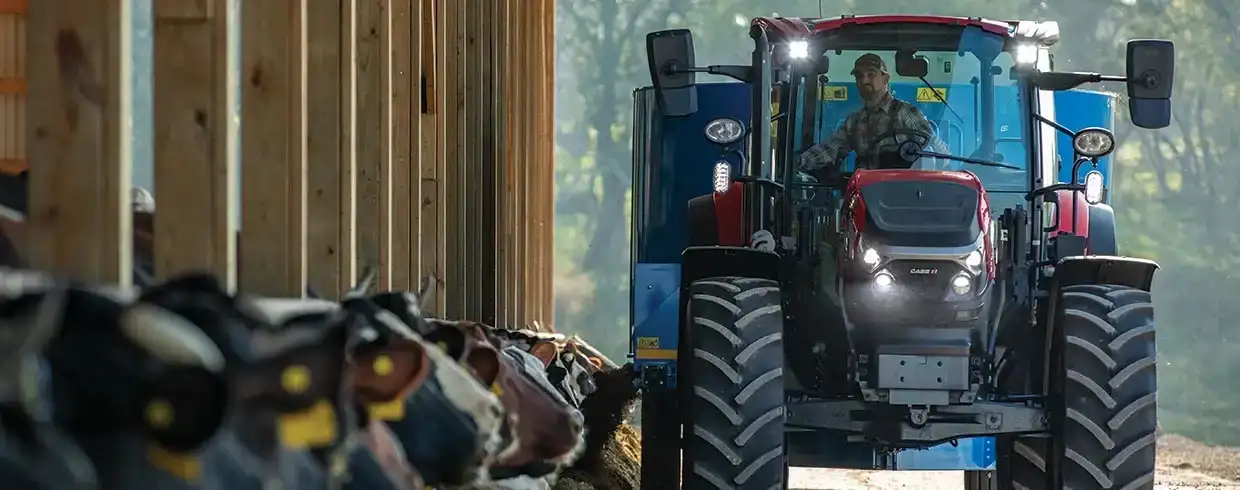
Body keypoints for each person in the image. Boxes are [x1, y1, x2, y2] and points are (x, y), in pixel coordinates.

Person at [798, 53, 948, 177]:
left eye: (871, 74)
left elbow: (940, 155)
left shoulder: (906, 113)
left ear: (886, 79)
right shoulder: (854, 122)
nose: (864, 80)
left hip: (903, 197)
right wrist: (800, 162)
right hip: (865, 197)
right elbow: (831, 148)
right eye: (859, 76)